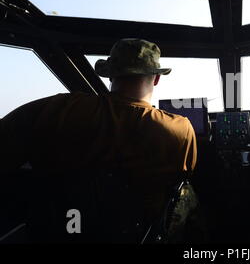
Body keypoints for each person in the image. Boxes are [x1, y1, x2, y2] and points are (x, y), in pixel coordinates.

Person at [0, 38, 197, 241]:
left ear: (111, 75)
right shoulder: (180, 129)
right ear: (156, 79)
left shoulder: (57, 108)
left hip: (58, 234)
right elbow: (183, 179)